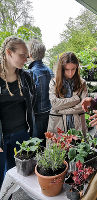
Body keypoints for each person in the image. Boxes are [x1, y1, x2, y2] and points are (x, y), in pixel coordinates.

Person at [0, 36, 36, 188]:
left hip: (22, 134)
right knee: (1, 180)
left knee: (18, 177)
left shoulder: (26, 76)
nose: (26, 59)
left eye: (27, 56)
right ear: (9, 53)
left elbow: (31, 104)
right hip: (1, 138)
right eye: (22, 55)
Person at [47, 52, 88, 135]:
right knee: (58, 147)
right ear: (61, 69)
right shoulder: (54, 82)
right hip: (58, 124)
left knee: (79, 146)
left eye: (73, 69)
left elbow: (82, 106)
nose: (70, 73)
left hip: (77, 124)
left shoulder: (82, 83)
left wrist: (62, 110)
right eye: (67, 70)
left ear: (77, 67)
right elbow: (55, 104)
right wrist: (76, 99)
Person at [27, 39, 54, 145]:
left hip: (37, 115)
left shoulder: (30, 73)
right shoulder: (49, 70)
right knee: (46, 142)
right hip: (50, 112)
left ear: (30, 54)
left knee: (37, 145)